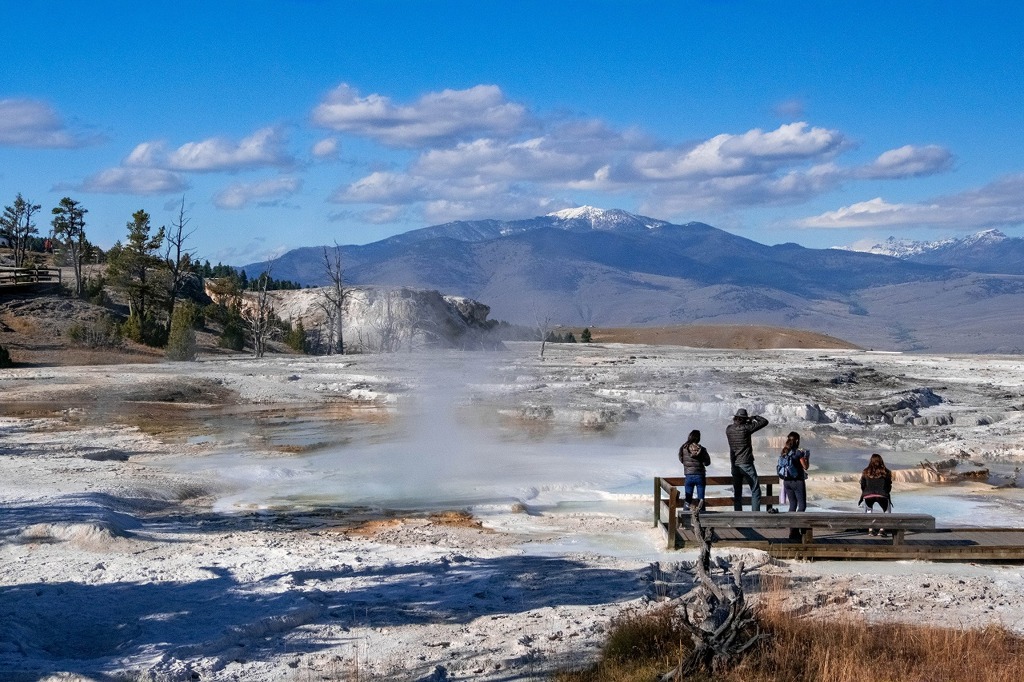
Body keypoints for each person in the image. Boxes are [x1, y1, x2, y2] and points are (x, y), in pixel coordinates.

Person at [726, 408, 769, 511]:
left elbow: (738, 427)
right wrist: (754, 418)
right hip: (746, 463)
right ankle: (755, 515)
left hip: (735, 465)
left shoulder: (729, 429)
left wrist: (746, 420)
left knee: (737, 492)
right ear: (744, 419)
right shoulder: (746, 429)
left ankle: (738, 515)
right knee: (755, 490)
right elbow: (764, 422)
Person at [778, 431, 810, 539]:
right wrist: (807, 457)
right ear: (797, 441)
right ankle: (796, 529)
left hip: (786, 482)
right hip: (797, 482)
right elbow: (805, 467)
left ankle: (792, 531)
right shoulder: (798, 453)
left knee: (792, 505)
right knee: (802, 506)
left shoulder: (784, 452)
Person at [859, 453, 893, 536]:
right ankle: (882, 530)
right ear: (881, 461)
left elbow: (862, 484)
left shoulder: (865, 471)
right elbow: (889, 485)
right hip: (882, 494)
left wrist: (865, 493)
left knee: (869, 511)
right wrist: (886, 492)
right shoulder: (886, 471)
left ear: (870, 461)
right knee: (887, 511)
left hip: (868, 494)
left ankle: (870, 529)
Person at [678, 429, 711, 511]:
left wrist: (688, 465)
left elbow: (681, 459)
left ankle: (685, 518)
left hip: (688, 475)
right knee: (701, 499)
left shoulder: (684, 448)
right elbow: (707, 462)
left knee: (688, 499)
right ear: (698, 438)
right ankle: (702, 518)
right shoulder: (702, 449)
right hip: (700, 476)